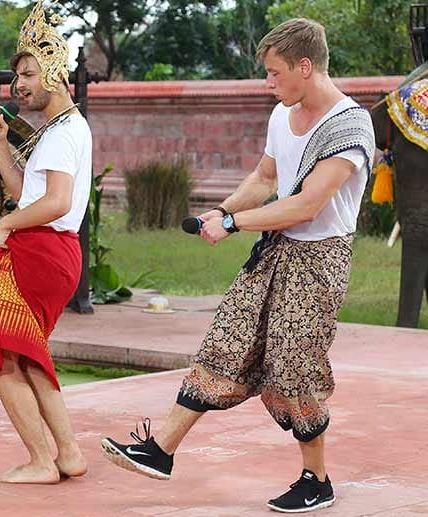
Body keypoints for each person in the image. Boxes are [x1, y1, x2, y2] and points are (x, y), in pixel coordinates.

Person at [100, 18, 375, 514]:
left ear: (305, 67)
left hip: (319, 260)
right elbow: (265, 176)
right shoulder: (281, 115)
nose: (269, 84)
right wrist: (223, 211)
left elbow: (305, 205)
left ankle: (317, 479)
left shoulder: (349, 126)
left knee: (294, 366)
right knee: (225, 342)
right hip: (274, 251)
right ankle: (160, 450)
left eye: (275, 74)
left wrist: (235, 224)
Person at [0, 1, 90, 484]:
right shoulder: (62, 129)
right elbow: (29, 192)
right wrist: (1, 147)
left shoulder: (61, 134)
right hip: (53, 252)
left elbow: (55, 203)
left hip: (41, 249)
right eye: (17, 75)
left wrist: (8, 225)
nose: (19, 85)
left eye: (29, 74)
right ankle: (68, 454)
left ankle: (41, 461)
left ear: (55, 75)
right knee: (24, 351)